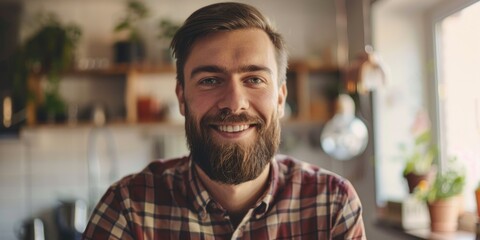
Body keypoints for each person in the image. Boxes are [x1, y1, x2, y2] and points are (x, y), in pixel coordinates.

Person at [82, 2, 365, 239]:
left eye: (254, 79)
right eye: (209, 80)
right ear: (182, 98)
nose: (234, 102)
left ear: (280, 98)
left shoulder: (332, 204)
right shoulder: (128, 208)